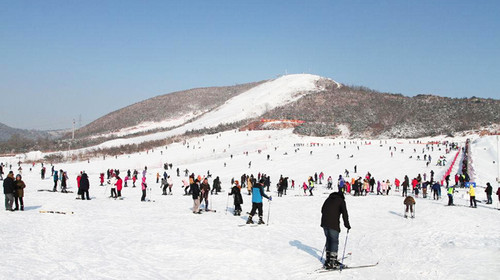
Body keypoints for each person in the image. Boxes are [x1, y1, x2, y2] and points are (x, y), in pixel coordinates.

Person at [320, 191, 351, 270]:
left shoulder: (328, 199)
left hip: (324, 223)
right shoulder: (341, 201)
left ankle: (328, 259)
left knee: (329, 240)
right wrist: (347, 225)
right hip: (333, 224)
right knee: (334, 241)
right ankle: (333, 262)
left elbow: (322, 210)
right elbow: (345, 213)